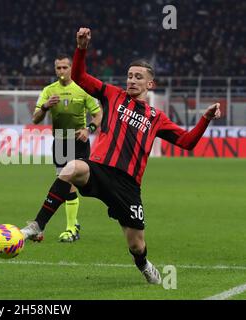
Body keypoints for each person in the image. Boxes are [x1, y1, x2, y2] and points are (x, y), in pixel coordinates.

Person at [21, 28, 221, 284]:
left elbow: (187, 142)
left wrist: (204, 118)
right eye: (129, 76)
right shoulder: (112, 95)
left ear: (150, 84)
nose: (132, 81)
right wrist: (81, 48)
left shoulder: (156, 118)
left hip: (128, 186)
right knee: (70, 168)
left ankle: (144, 265)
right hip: (100, 169)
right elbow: (80, 76)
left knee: (136, 244)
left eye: (138, 77)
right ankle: (38, 225)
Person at [33, 54, 102, 242]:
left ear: (71, 68)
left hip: (78, 142)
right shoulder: (49, 90)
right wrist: (46, 107)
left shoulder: (82, 90)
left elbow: (97, 114)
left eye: (65, 67)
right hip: (60, 142)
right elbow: (35, 118)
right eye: (58, 68)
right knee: (64, 185)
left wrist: (90, 129)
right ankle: (73, 225)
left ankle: (71, 229)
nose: (61, 71)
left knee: (69, 184)